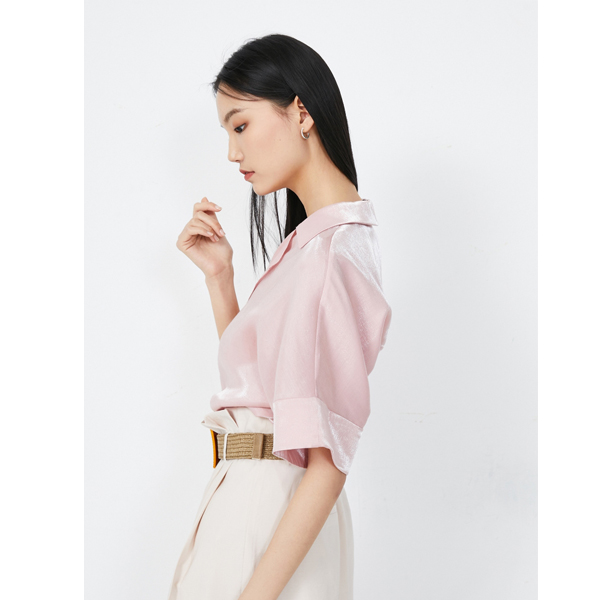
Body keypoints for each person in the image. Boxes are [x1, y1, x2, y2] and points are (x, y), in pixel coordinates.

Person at [168, 33, 392, 600]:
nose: (232, 153)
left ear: (301, 112)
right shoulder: (313, 245)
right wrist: (220, 278)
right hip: (252, 503)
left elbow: (327, 462)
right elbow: (261, 392)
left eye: (240, 125)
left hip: (270, 514)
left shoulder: (331, 254)